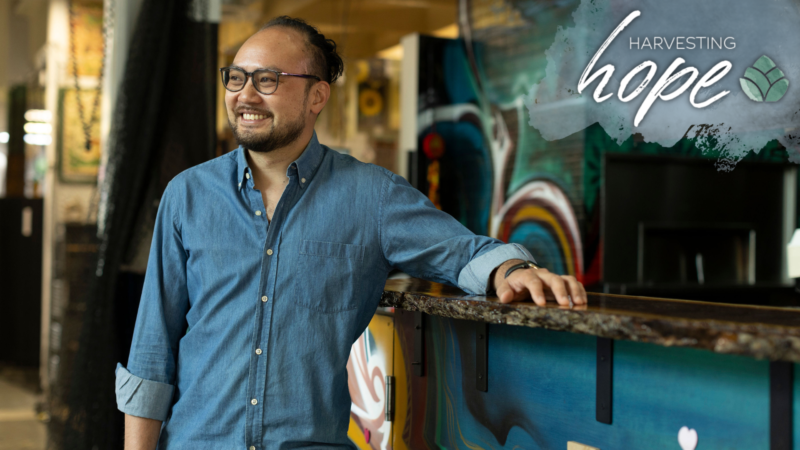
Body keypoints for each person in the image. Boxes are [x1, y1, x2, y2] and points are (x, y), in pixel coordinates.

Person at [115, 16, 587, 450]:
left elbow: (463, 252)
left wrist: (513, 268)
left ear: (317, 96)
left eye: (268, 79)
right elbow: (152, 350)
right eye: (236, 78)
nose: (246, 95)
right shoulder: (187, 195)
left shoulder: (372, 198)